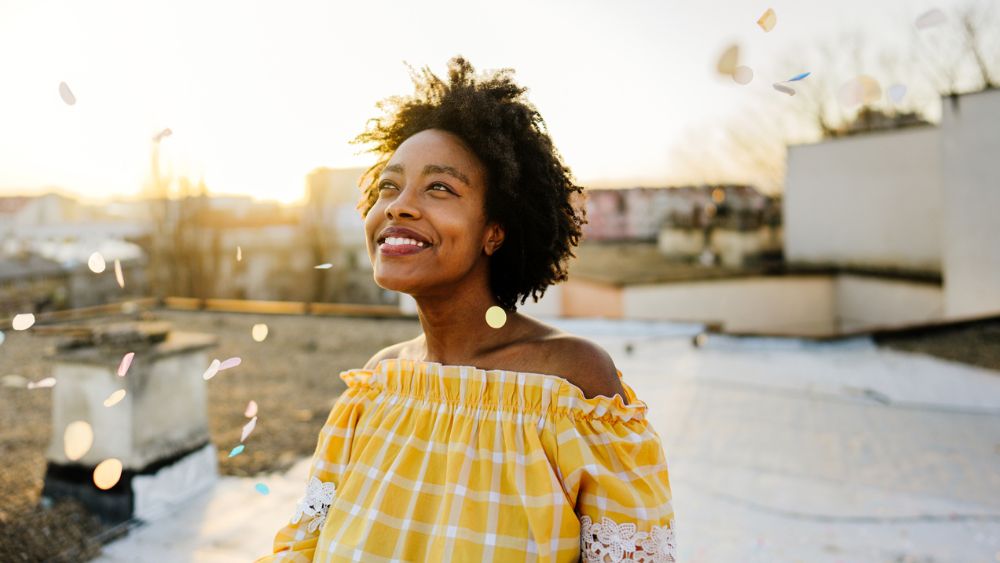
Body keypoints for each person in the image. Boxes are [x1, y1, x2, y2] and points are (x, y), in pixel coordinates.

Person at [258, 56, 676, 562]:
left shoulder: (571, 386)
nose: (398, 205)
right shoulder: (376, 386)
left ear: (494, 232)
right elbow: (304, 548)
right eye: (389, 186)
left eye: (440, 188)